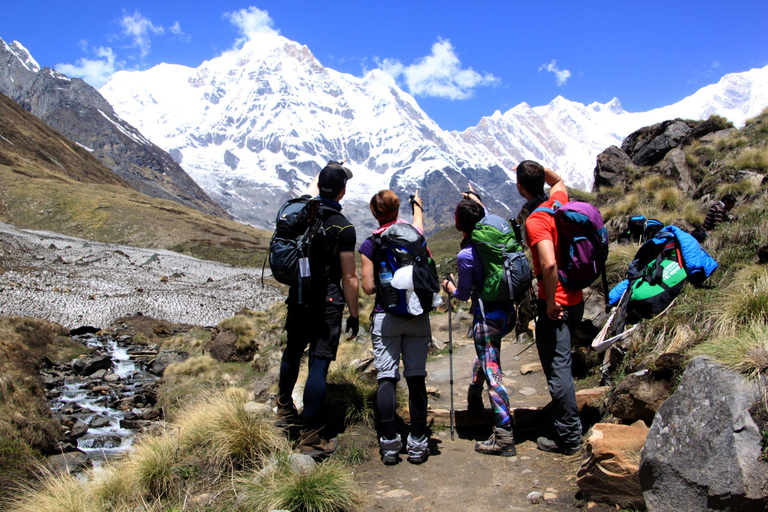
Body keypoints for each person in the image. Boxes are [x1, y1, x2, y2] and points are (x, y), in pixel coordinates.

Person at [275, 161, 360, 458]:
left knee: (293, 351)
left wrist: (327, 171)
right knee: (318, 364)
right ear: (343, 191)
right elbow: (350, 277)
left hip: (298, 296)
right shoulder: (343, 227)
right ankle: (310, 437)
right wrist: (355, 314)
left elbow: (316, 189)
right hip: (327, 303)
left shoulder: (301, 213)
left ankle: (284, 411)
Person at [441, 188, 516, 457]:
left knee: (493, 372)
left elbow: (462, 294)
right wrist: (474, 200)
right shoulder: (494, 240)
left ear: (459, 225)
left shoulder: (466, 256)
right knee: (487, 355)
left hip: (486, 318)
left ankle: (505, 436)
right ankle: (474, 394)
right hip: (507, 312)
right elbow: (480, 213)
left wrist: (449, 286)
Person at [359, 189, 431, 465]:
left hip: (386, 317)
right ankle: (418, 443)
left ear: (374, 213)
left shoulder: (370, 244)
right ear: (397, 209)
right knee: (416, 377)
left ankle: (389, 445)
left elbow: (367, 287)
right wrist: (418, 206)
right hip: (417, 316)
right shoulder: (415, 235)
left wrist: (387, 288)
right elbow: (419, 223)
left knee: (387, 377)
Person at [515, 160, 583, 455]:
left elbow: (549, 263)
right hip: (577, 296)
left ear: (520, 188)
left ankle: (569, 438)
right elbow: (558, 181)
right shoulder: (558, 201)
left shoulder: (536, 220)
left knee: (558, 371)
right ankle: (565, 424)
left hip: (556, 304)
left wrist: (552, 302)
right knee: (562, 366)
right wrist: (542, 173)